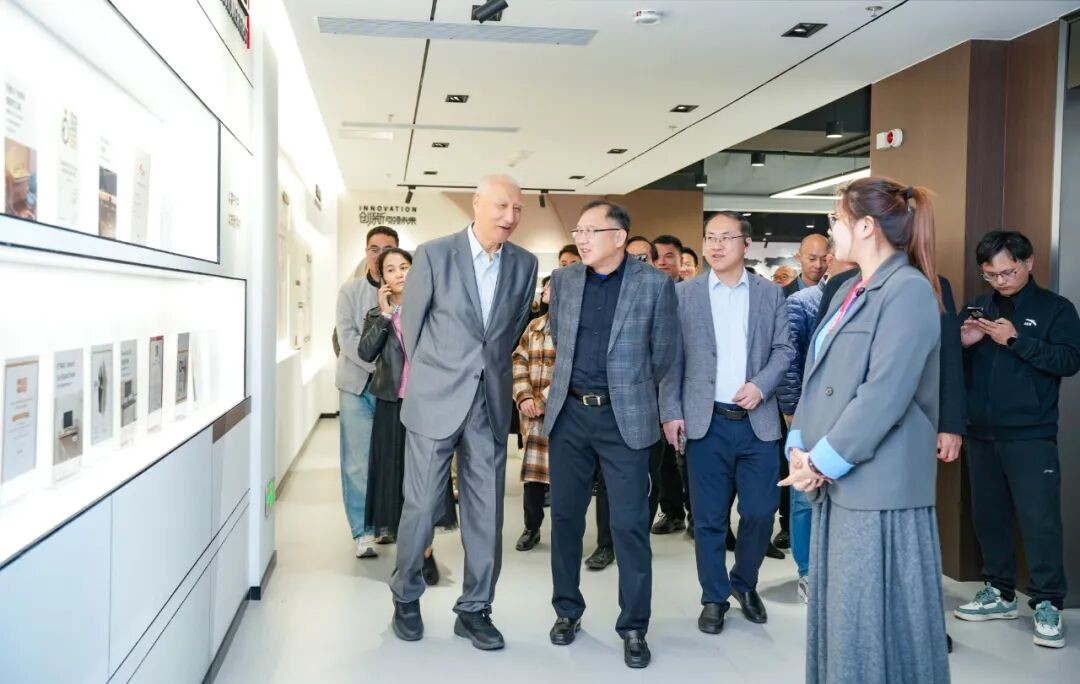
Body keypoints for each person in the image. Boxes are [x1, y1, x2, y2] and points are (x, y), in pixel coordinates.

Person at [780, 177, 949, 683]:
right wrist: (799, 445)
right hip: (840, 480)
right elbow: (819, 378)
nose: (831, 230)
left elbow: (884, 394)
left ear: (867, 226)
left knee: (871, 623)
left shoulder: (909, 290)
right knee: (843, 618)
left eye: (836, 219)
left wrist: (821, 461)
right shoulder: (849, 290)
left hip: (880, 488)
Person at [389, 175, 539, 651]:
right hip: (435, 399)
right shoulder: (435, 254)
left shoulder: (525, 263)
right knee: (420, 507)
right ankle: (405, 595)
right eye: (501, 206)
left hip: (488, 404)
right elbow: (413, 330)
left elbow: (510, 330)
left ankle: (475, 609)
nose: (510, 217)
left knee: (487, 514)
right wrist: (439, 375)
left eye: (517, 209)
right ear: (476, 204)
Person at [543, 200, 678, 669]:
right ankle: (567, 611)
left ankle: (634, 626)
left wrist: (627, 388)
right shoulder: (564, 280)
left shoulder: (655, 285)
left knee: (629, 524)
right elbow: (559, 337)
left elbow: (664, 355)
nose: (581, 239)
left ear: (618, 237)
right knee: (565, 518)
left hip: (626, 418)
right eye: (577, 231)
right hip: (570, 414)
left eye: (590, 231)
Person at [660, 211, 794, 634]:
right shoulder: (684, 294)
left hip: (758, 423)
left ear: (746, 244)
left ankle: (744, 582)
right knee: (709, 519)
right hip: (706, 423)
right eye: (710, 238)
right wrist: (671, 411)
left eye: (726, 237)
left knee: (760, 512)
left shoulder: (770, 294)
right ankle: (714, 597)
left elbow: (784, 350)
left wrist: (760, 385)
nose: (716, 246)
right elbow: (670, 359)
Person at [954, 230, 1080, 649]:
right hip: (980, 432)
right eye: (990, 274)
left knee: (1039, 520)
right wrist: (963, 343)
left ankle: (1048, 603)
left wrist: (1015, 340)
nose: (1000, 281)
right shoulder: (977, 307)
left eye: (1007, 272)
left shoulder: (1056, 308)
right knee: (988, 516)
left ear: (1028, 263)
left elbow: (1069, 360)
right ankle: (999, 591)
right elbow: (949, 365)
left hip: (1030, 434)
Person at [358, 248, 456, 586]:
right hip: (392, 406)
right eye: (391, 269)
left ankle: (425, 550)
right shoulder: (377, 314)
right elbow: (365, 352)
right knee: (395, 480)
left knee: (426, 480)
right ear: (382, 278)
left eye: (405, 267)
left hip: (426, 404)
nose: (399, 273)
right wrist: (386, 316)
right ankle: (409, 555)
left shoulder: (432, 310)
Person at [777, 241, 857, 602]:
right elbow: (790, 362)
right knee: (804, 495)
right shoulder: (803, 302)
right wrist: (793, 410)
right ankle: (808, 571)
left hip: (849, 416)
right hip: (809, 413)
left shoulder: (866, 297)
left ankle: (839, 570)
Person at [334, 225, 399, 558]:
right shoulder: (350, 291)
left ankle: (385, 524)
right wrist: (380, 366)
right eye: (374, 248)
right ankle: (363, 531)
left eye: (387, 249)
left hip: (394, 391)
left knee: (389, 462)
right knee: (358, 463)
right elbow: (347, 339)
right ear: (366, 253)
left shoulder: (408, 292)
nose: (380, 254)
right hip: (357, 388)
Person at [512, 276, 555, 552]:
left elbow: (572, 369)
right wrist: (525, 396)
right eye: (547, 286)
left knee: (565, 479)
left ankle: (564, 531)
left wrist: (544, 401)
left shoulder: (576, 328)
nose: (547, 289)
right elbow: (518, 359)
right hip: (533, 416)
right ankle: (532, 528)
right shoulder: (534, 326)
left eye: (553, 286)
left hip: (561, 414)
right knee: (533, 478)